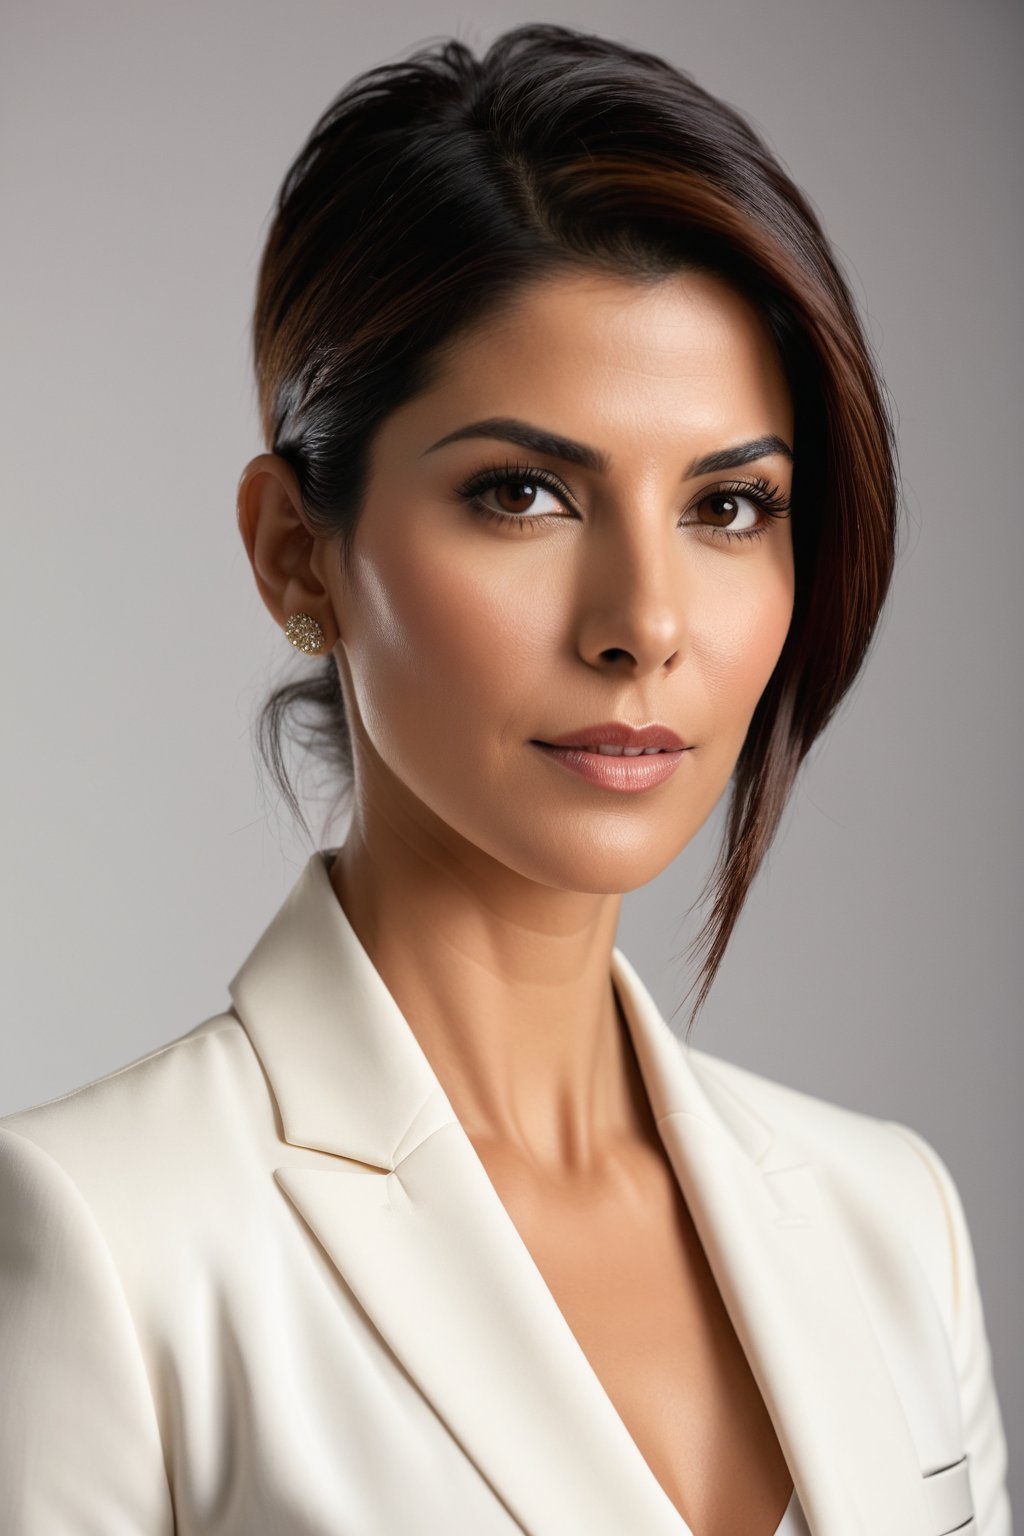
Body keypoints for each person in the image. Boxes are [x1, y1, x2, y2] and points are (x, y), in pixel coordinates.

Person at [0, 23, 1010, 1536]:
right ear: (298, 552)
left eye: (731, 505)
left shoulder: (891, 1220)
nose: (646, 626)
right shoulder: (105, 1240)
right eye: (522, 494)